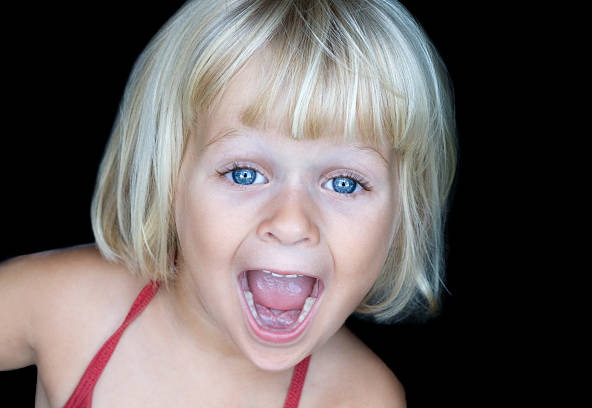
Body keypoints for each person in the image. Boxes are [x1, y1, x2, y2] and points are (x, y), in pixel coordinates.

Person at [0, 0, 455, 406]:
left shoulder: (360, 398)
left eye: (345, 184)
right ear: (168, 176)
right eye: (244, 174)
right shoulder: (61, 303)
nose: (292, 222)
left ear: (404, 212)